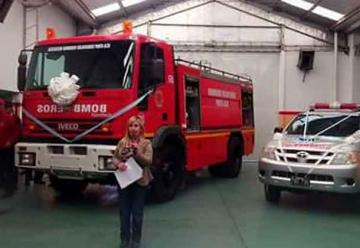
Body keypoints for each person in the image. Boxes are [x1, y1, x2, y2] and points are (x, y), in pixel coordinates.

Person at [114, 115, 153, 248]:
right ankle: (124, 239)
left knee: (137, 213)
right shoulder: (122, 142)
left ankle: (136, 240)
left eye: (136, 126)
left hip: (140, 182)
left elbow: (148, 161)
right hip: (124, 182)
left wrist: (137, 153)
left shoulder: (146, 144)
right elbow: (115, 158)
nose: (133, 129)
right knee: (124, 212)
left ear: (141, 128)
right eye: (130, 126)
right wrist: (118, 164)